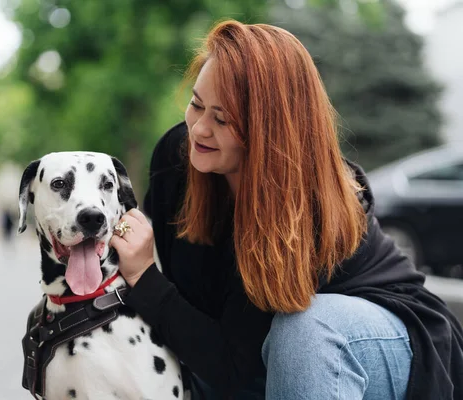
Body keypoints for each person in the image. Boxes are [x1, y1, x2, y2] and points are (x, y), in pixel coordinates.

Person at [109, 20, 463, 400]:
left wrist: (145, 277)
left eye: (223, 119)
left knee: (304, 332)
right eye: (196, 104)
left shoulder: (305, 212)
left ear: (267, 130)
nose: (199, 130)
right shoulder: (177, 160)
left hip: (383, 345)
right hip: (253, 356)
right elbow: (198, 334)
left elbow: (232, 367)